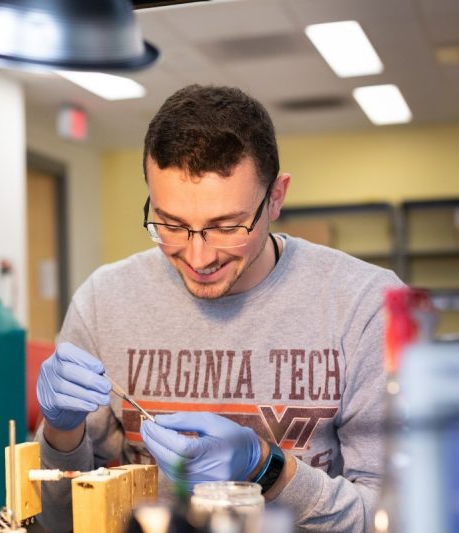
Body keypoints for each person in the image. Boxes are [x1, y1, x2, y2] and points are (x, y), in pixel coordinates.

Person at [36, 84, 404, 532]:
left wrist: (267, 468)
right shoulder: (103, 301)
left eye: (227, 227)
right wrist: (61, 433)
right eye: (171, 224)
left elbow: (398, 520)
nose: (199, 258)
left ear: (276, 197)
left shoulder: (366, 306)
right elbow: (59, 520)